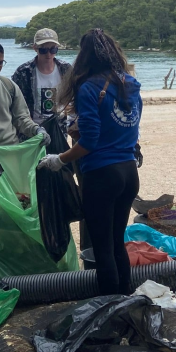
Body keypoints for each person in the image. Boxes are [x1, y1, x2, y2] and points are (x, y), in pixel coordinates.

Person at [38, 29, 142, 296]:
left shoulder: (89, 87)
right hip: (129, 172)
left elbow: (90, 143)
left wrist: (59, 160)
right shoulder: (129, 83)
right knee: (117, 242)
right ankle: (125, 301)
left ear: (84, 57)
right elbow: (125, 129)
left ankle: (110, 308)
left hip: (103, 175)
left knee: (103, 248)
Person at [0, 39, 50, 267]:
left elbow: (21, 118)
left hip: (12, 155)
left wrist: (37, 130)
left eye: (1, 63)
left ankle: (17, 251)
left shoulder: (8, 86)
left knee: (20, 205)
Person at [12, 28, 72, 132]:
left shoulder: (66, 69)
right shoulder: (23, 72)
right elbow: (14, 103)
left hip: (60, 129)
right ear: (35, 48)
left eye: (53, 50)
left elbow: (74, 96)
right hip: (31, 130)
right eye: (43, 50)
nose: (48, 54)